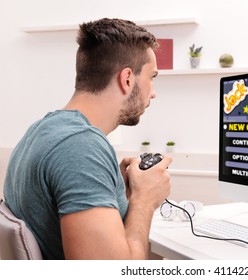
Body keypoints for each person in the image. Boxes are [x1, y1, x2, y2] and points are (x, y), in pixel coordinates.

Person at [3, 18, 172, 259]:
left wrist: (118, 192)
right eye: (152, 77)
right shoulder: (80, 147)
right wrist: (144, 200)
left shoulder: (41, 130)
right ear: (127, 79)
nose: (153, 93)